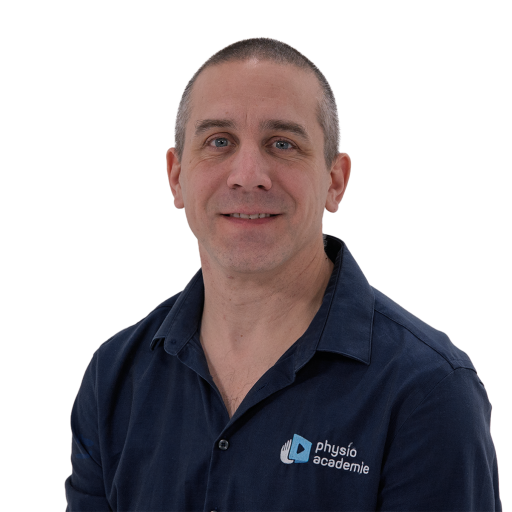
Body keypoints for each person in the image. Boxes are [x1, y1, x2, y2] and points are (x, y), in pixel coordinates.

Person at [64, 36, 501, 511]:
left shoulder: (429, 392)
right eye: (219, 141)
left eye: (282, 143)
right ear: (176, 177)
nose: (248, 174)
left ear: (335, 181)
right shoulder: (114, 378)